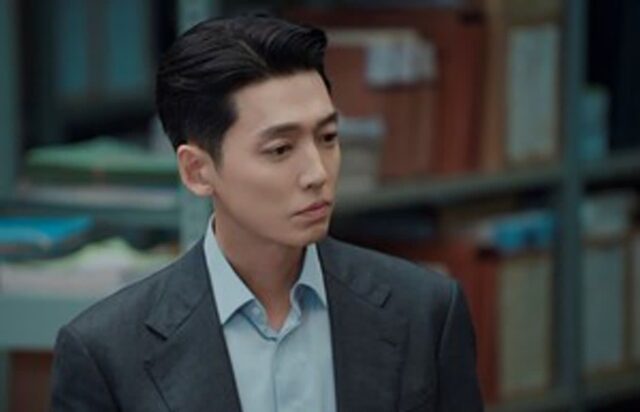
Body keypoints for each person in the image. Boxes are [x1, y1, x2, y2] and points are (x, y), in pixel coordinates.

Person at [50, 14, 483, 412]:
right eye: (280, 149)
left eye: (328, 138)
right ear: (198, 171)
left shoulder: (425, 312)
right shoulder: (106, 353)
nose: (317, 173)